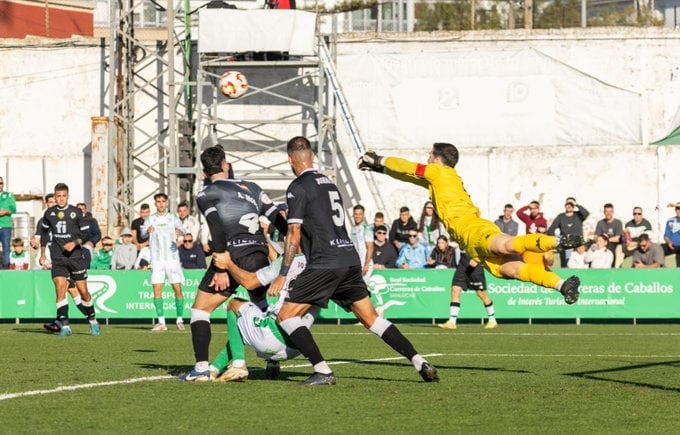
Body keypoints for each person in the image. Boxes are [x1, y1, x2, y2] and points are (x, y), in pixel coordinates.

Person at [267, 136, 439, 386]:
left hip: (325, 261)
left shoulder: (297, 187)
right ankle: (418, 361)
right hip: (348, 258)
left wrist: (283, 273)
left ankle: (323, 371)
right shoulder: (329, 184)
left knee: (286, 315)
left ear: (291, 160)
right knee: (371, 319)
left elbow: (293, 234)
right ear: (312, 157)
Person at [358, 143, 582, 304]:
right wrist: (380, 169)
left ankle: (558, 241)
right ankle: (563, 286)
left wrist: (379, 159)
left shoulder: (439, 171)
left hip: (473, 229)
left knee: (506, 245)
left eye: (429, 154)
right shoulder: (441, 177)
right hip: (470, 242)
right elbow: (408, 176)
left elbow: (407, 166)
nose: (427, 158)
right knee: (513, 270)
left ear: (437, 158)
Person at [181, 145, 288, 382]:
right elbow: (279, 220)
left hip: (233, 254)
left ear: (205, 171)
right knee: (259, 307)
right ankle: (272, 358)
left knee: (200, 310)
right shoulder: (253, 188)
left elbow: (217, 227)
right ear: (225, 165)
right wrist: (294, 245)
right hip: (259, 253)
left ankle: (200, 369)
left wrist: (221, 266)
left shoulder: (206, 193)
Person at [199, 251, 310, 382]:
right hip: (300, 345)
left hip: (272, 338)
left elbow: (251, 283)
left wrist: (228, 264)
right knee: (248, 322)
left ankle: (238, 365)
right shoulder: (322, 263)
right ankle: (214, 369)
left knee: (234, 305)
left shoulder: (287, 260)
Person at [39, 182, 100, 336]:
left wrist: (74, 243)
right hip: (58, 257)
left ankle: (92, 319)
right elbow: (44, 233)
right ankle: (65, 326)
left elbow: (86, 235)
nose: (60, 199)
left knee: (83, 291)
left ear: (68, 196)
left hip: (75, 257)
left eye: (63, 196)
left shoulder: (76, 212)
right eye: (58, 196)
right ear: (55, 196)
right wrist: (43, 253)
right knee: (60, 288)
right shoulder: (49, 213)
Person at [142, 193, 186, 332]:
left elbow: (183, 230)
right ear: (155, 204)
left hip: (172, 259)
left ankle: (179, 319)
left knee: (177, 289)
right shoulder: (151, 219)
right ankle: (161, 322)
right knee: (157, 289)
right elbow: (142, 233)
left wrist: (180, 231)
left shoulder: (173, 218)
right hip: (157, 259)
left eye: (163, 201)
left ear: (167, 203)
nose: (161, 204)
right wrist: (147, 230)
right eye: (158, 202)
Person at [439, 251, 497, 330]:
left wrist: (477, 260)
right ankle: (452, 322)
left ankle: (492, 320)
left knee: (481, 294)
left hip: (475, 264)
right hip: (462, 264)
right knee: (455, 290)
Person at [547, 197, 589, 267]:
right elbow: (551, 230)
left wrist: (576, 204)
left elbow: (586, 213)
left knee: (580, 265)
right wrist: (557, 241)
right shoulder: (561, 217)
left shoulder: (578, 215)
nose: (569, 206)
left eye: (571, 204)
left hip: (577, 245)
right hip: (565, 244)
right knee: (565, 264)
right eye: (567, 204)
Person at [594, 203, 624, 268]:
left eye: (610, 211)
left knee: (610, 248)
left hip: (613, 244)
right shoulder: (600, 223)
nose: (608, 213)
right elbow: (596, 236)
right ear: (604, 212)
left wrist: (606, 240)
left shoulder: (618, 223)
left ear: (613, 212)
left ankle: (611, 268)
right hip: (601, 243)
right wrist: (600, 241)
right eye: (606, 211)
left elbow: (618, 238)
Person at [350, 204, 374, 283]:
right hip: (356, 264)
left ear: (363, 215)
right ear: (353, 215)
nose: (357, 216)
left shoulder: (367, 229)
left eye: (360, 214)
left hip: (365, 264)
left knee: (363, 289)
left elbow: (370, 247)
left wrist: (366, 264)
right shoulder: (353, 229)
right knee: (356, 291)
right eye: (356, 214)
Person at [0, 176, 16, 269]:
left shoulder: (9, 195)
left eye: (1, 183)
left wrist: (5, 212)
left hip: (5, 226)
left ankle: (6, 267)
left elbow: (13, 209)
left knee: (6, 248)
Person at [662, 203, 680, 267]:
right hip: (673, 245)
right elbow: (666, 235)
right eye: (677, 209)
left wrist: (674, 204)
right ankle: (662, 270)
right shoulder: (670, 220)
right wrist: (668, 242)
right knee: (658, 249)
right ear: (675, 210)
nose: (679, 210)